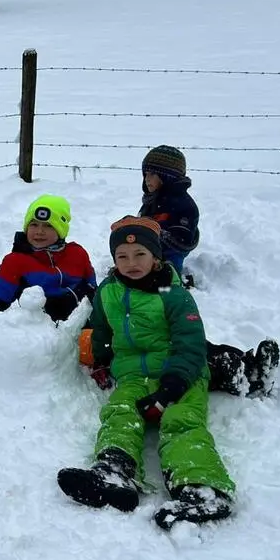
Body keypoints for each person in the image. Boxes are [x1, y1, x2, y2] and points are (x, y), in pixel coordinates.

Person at [59, 217, 234, 530]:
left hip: (180, 374)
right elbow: (101, 328)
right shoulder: (109, 291)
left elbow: (191, 345)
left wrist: (171, 387)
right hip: (133, 376)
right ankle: (114, 471)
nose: (131, 263)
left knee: (180, 421)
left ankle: (203, 489)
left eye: (140, 254)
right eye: (122, 257)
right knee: (120, 413)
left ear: (156, 257)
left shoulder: (172, 293)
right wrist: (100, 359)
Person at [0, 194, 97, 354]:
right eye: (34, 224)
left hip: (78, 320)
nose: (39, 231)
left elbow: (93, 288)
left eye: (48, 226)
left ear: (61, 230)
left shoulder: (77, 254)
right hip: (41, 329)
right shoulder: (17, 261)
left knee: (98, 344)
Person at [138, 145, 199, 275]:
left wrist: (158, 236)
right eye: (145, 174)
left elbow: (182, 240)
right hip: (149, 251)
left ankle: (173, 281)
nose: (147, 179)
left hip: (169, 255)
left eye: (153, 174)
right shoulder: (151, 201)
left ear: (168, 176)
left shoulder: (183, 205)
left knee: (167, 270)